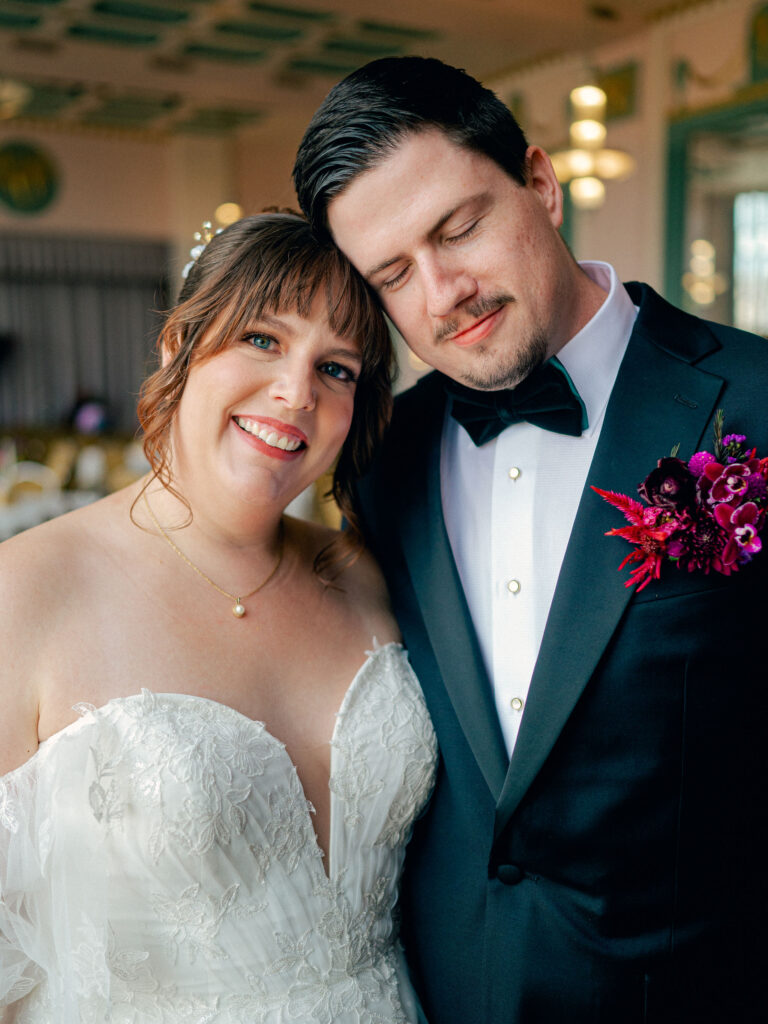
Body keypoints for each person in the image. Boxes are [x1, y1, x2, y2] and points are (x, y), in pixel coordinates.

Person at [292, 56, 768, 1023]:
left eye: (459, 228)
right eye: (392, 274)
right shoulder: (381, 462)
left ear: (541, 186)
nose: (442, 292)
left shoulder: (755, 405)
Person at [0, 212, 437, 1023]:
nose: (296, 392)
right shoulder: (25, 590)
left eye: (337, 368)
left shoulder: (369, 577)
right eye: (263, 340)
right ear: (179, 346)